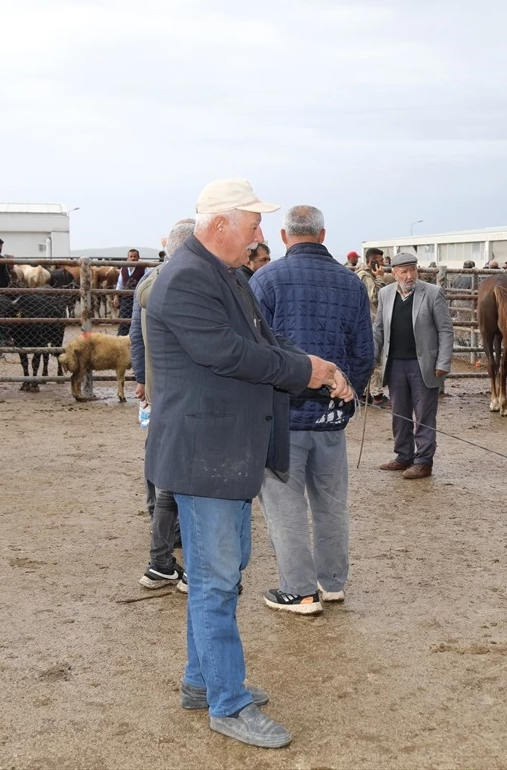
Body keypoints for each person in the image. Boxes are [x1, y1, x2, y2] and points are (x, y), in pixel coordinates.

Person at [143, 178, 347, 749]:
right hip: (204, 456)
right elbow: (228, 355)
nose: (262, 235)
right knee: (215, 582)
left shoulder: (224, 276)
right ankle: (227, 704)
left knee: (220, 576)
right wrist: (307, 372)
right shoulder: (187, 280)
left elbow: (264, 338)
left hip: (223, 453)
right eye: (254, 224)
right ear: (219, 226)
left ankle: (202, 683)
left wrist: (317, 365)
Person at [251, 205, 373, 614]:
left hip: (279, 415)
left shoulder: (264, 280)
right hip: (330, 417)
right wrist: (346, 391)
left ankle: (299, 589)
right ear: (322, 235)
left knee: (284, 506)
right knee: (331, 502)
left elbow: (256, 353)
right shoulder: (350, 283)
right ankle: (332, 581)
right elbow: (364, 351)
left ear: (285, 237)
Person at [131, 219, 195, 590]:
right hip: (178, 390)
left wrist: (143, 380)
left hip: (161, 389)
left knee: (159, 457)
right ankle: (166, 545)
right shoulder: (178, 281)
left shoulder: (148, 281)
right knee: (173, 466)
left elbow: (137, 337)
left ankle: (161, 544)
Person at [373, 252, 453, 479]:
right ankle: (403, 456)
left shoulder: (433, 293)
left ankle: (424, 460)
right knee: (400, 413)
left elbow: (445, 330)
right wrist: (372, 357)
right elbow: (378, 329)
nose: (410, 276)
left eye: (413, 270)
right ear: (394, 273)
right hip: (395, 363)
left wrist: (443, 362)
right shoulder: (385, 294)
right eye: (404, 271)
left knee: (424, 414)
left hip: (424, 364)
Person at [358, 248, 389, 404]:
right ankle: (376, 395)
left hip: (369, 322)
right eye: (380, 261)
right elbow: (375, 296)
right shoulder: (366, 276)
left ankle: (365, 394)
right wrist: (380, 278)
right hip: (371, 323)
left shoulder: (362, 275)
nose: (383, 264)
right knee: (376, 360)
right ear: (373, 261)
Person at [115, 249, 145, 337]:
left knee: (137, 320)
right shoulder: (123, 269)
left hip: (138, 298)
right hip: (125, 299)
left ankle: (136, 337)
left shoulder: (144, 268)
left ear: (138, 258)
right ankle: (122, 338)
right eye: (131, 257)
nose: (133, 259)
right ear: (127, 258)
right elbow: (119, 284)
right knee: (124, 319)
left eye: (135, 257)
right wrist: (116, 296)